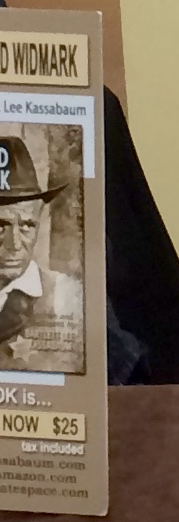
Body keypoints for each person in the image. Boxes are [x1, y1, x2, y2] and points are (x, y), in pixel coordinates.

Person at [0, 127, 85, 374]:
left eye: (27, 226)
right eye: (0, 226)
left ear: (39, 219)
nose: (15, 244)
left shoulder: (65, 297)